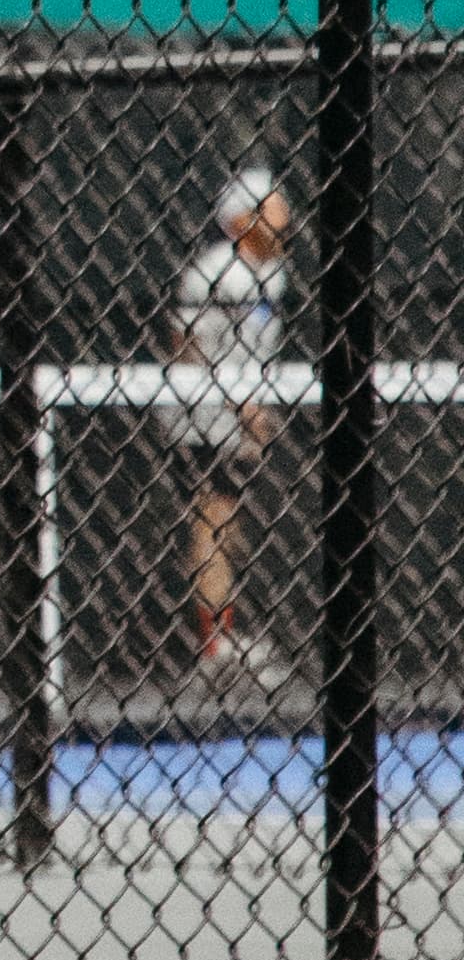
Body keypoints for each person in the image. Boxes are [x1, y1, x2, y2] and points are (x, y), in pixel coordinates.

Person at [170, 163, 293, 695]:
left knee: (229, 524)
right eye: (269, 206)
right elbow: (187, 341)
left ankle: (224, 633)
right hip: (202, 417)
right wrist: (233, 399)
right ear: (241, 219)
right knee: (212, 522)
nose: (283, 215)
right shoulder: (218, 273)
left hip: (240, 417)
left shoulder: (272, 274)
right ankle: (214, 645)